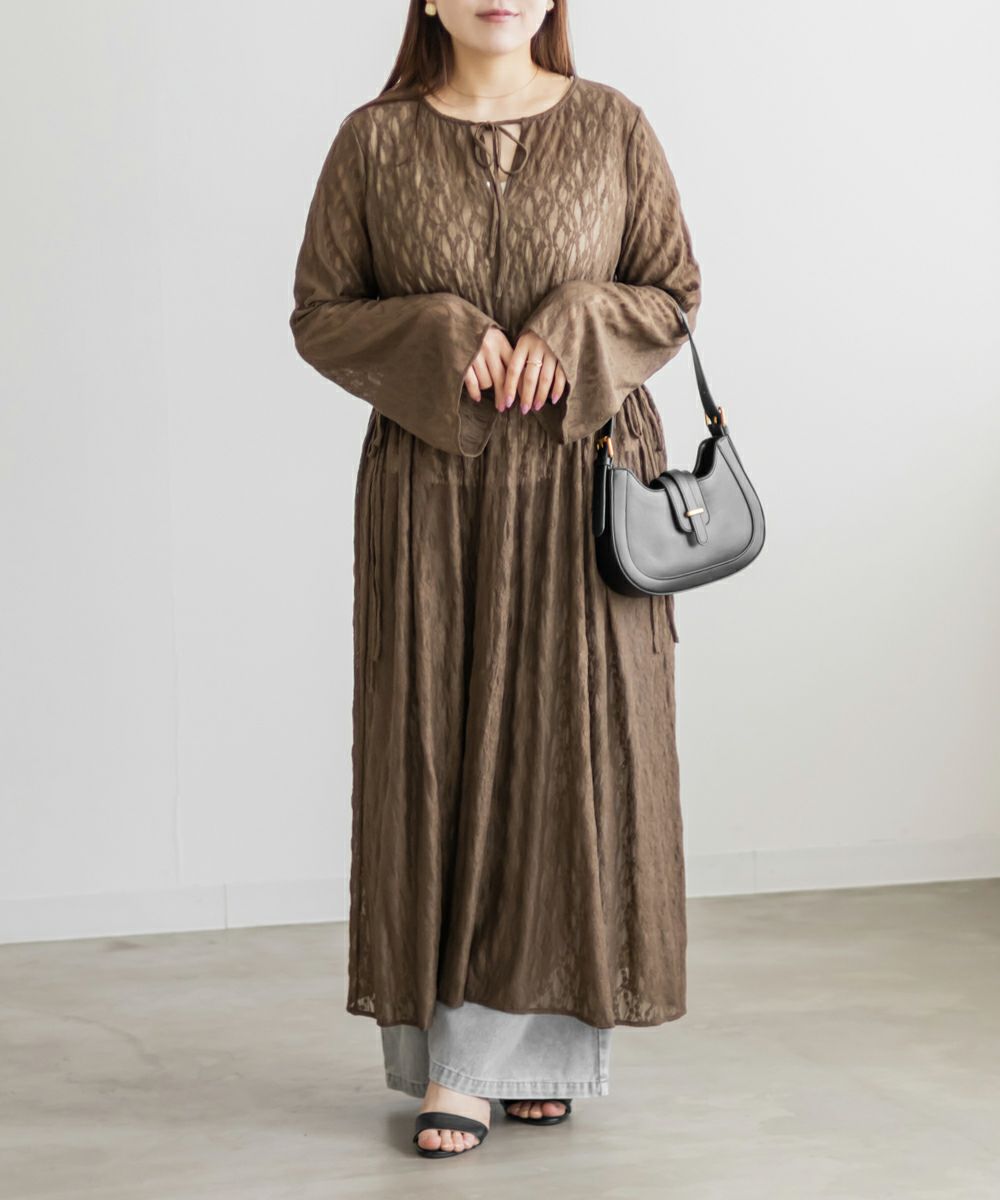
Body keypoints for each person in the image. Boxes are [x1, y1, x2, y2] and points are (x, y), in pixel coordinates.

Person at [289, 0, 702, 1160]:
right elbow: (320, 314)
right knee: (440, 754)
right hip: (431, 497)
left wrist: (575, 319)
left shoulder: (614, 126)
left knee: (569, 756)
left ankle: (531, 1054)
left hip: (585, 492)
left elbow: (672, 292)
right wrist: (439, 333)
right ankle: (459, 1066)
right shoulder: (374, 140)